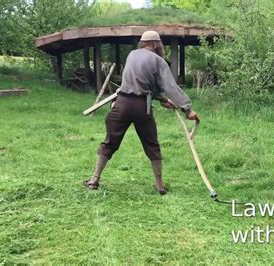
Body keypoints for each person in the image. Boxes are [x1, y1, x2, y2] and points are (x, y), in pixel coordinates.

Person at [83, 30, 199, 195]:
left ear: (143, 43)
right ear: (155, 44)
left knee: (110, 142)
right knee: (152, 145)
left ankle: (94, 179)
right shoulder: (158, 61)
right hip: (141, 107)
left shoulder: (132, 55)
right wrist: (187, 109)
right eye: (159, 44)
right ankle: (159, 186)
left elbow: (139, 82)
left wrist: (162, 99)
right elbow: (171, 87)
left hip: (121, 104)